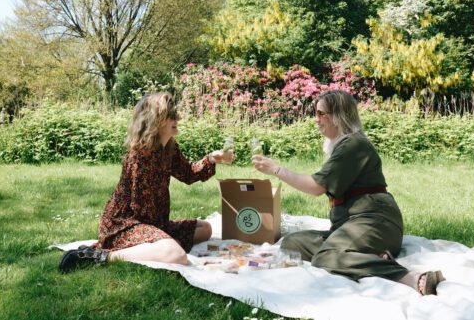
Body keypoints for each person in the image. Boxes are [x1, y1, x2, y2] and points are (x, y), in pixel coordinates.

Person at [251, 89, 444, 295]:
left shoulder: (353, 143)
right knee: (292, 243)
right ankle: (372, 258)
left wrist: (276, 170)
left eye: (321, 113)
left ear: (338, 116)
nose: (316, 120)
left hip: (376, 221)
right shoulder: (342, 145)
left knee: (326, 257)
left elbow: (316, 187)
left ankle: (409, 277)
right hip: (350, 225)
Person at [59, 91, 233, 272]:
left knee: (205, 229)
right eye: (171, 115)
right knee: (176, 255)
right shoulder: (140, 156)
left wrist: (211, 159)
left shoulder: (169, 147)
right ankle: (99, 255)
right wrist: (161, 237)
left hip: (154, 222)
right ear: (155, 120)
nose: (178, 118)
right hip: (125, 224)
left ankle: (154, 247)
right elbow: (140, 208)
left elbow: (188, 174)